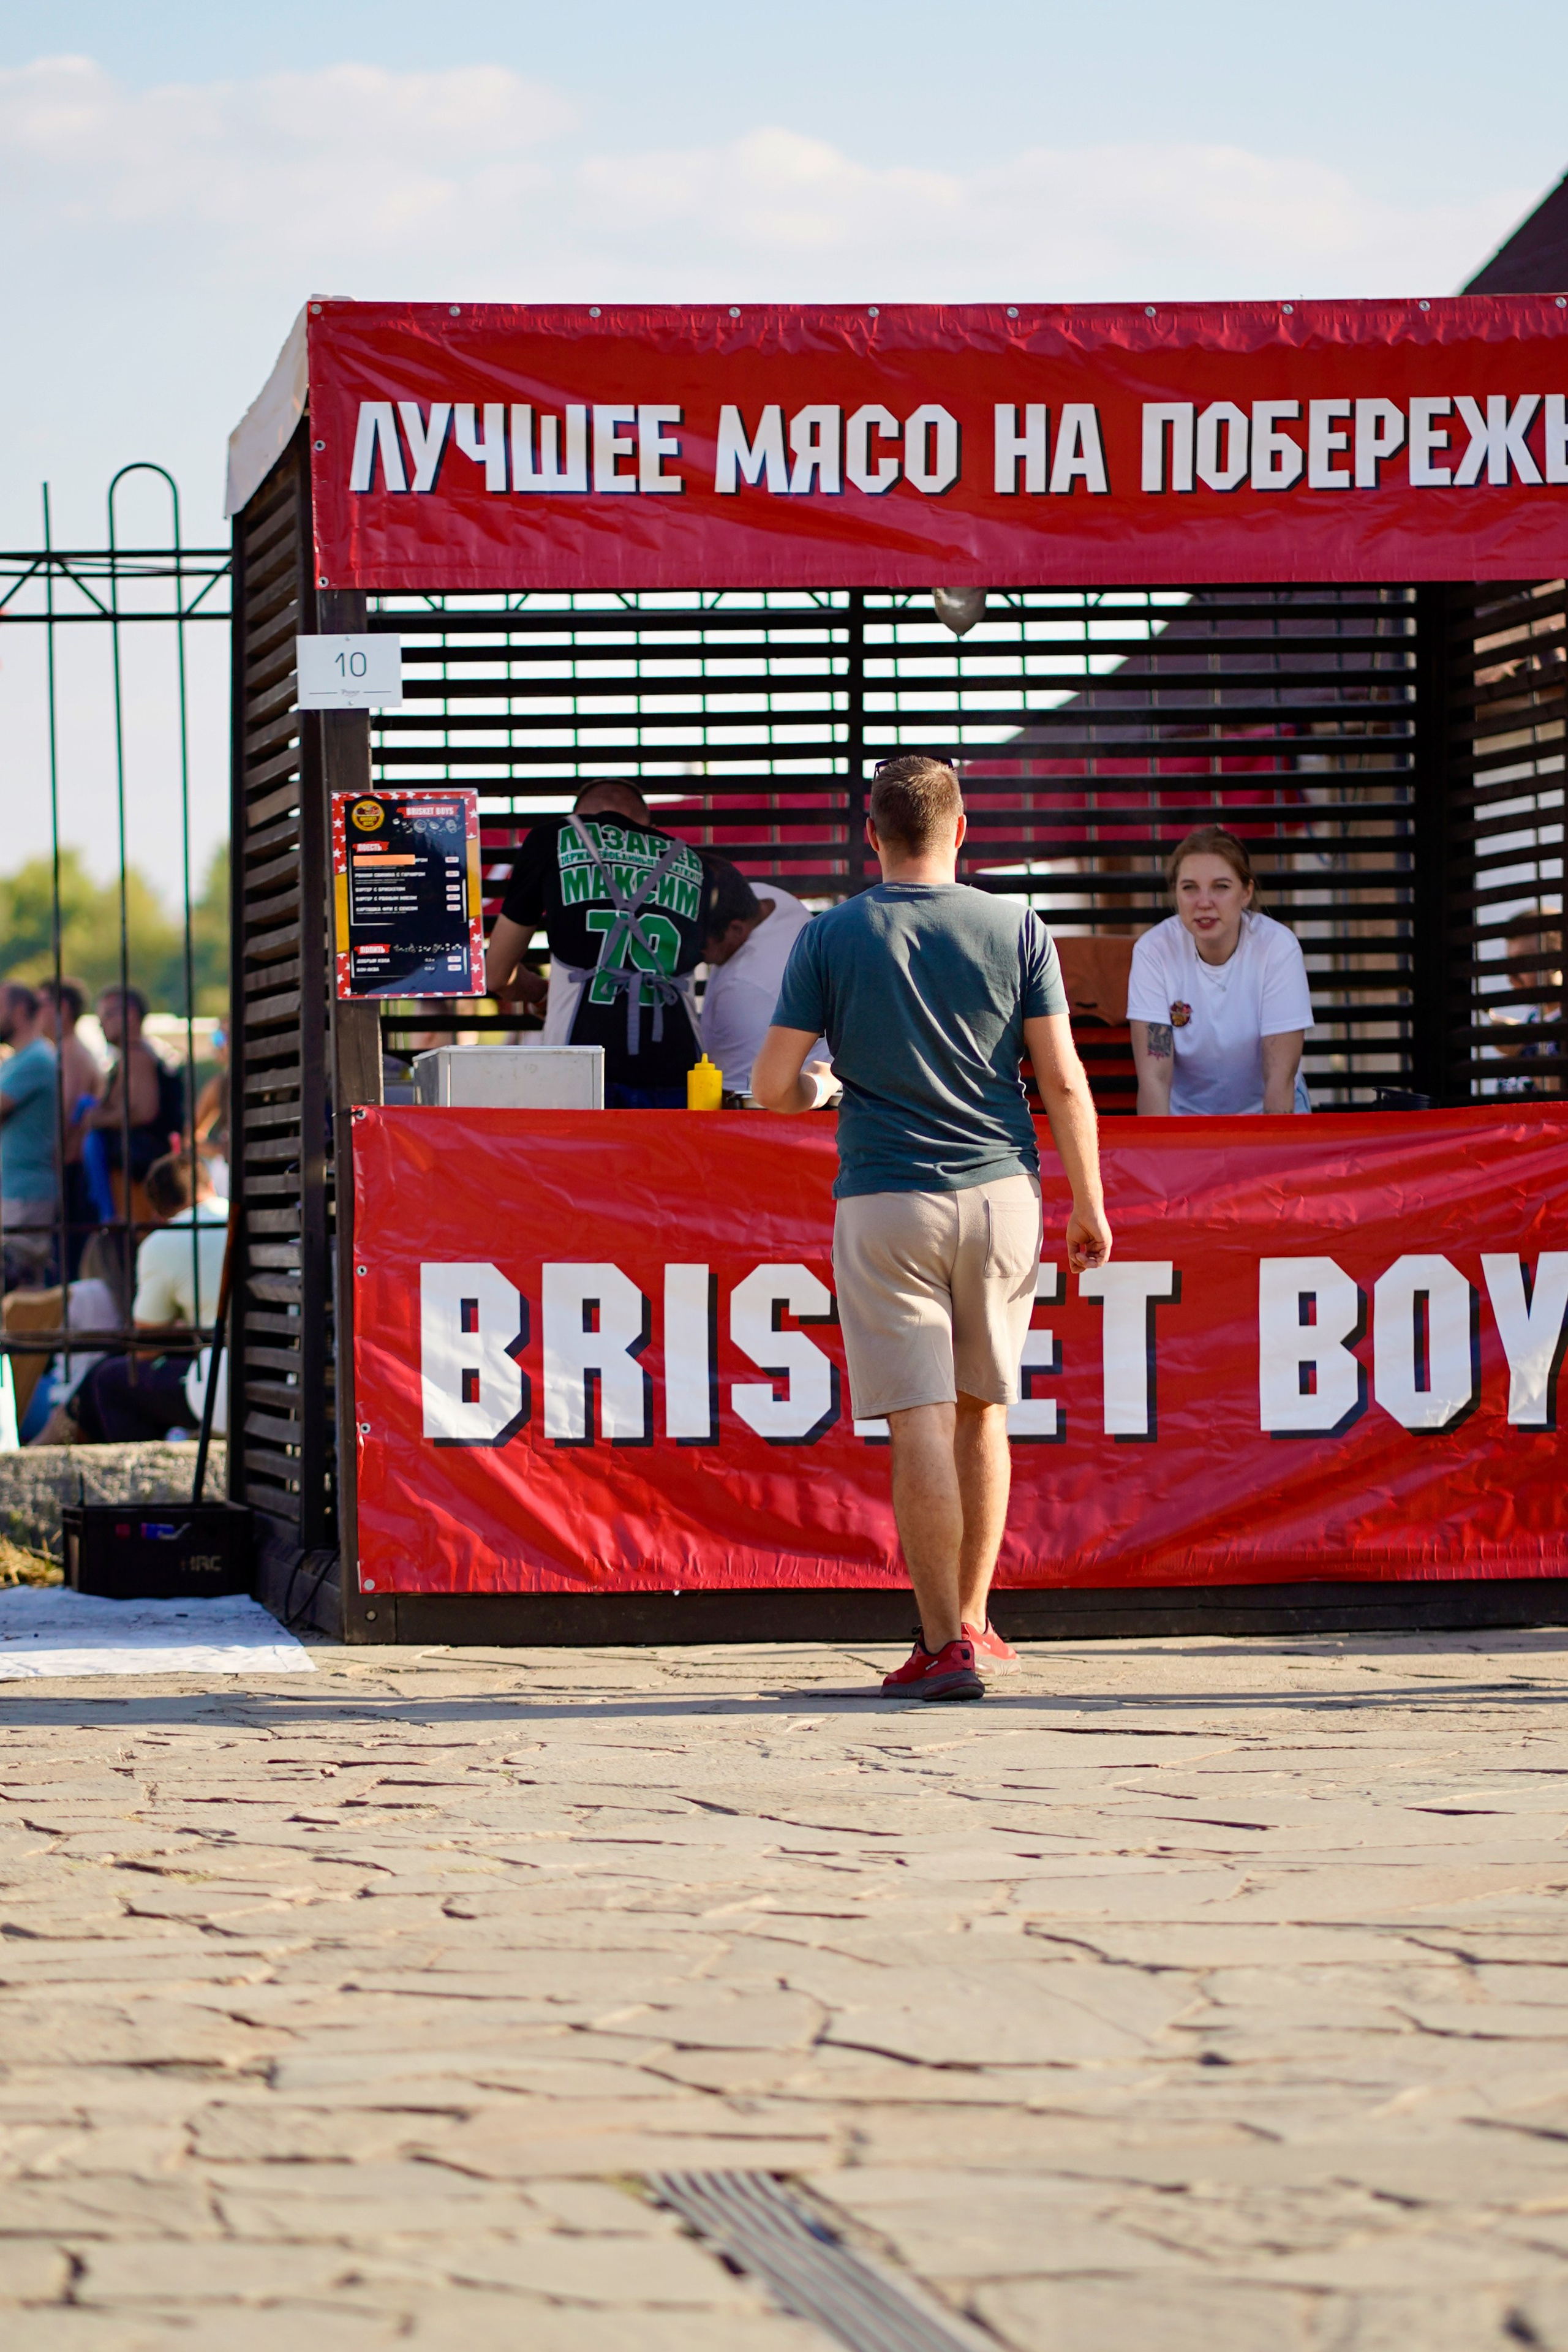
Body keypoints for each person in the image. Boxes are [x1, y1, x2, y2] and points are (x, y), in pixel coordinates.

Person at [752, 753, 1110, 1703]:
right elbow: (1064, 1079)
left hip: (885, 1198)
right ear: (962, 831)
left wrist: (824, 1085)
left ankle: (941, 1641)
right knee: (984, 1408)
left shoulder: (831, 935)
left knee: (917, 1419)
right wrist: (1095, 1204)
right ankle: (980, 1621)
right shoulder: (1017, 925)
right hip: (1003, 1196)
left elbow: (770, 1086)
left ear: (870, 834)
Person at [484, 781, 706, 1107]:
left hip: (580, 1065)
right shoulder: (692, 860)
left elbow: (497, 975)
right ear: (651, 826)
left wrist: (542, 994)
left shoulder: (553, 838)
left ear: (578, 816)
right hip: (680, 1065)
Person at [1128, 827, 1314, 1117]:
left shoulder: (1277, 948)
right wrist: (1161, 1156)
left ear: (1246, 892)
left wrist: (1274, 1155)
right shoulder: (1153, 951)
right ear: (1175, 892)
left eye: (1221, 886)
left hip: (1268, 1110)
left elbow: (1280, 1077)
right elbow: (1154, 1079)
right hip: (1185, 1116)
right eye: (1190, 887)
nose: (1204, 902)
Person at [70, 1152, 227, 1444]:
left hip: (220, 1388)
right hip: (278, 1373)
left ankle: (147, 1475)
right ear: (210, 1186)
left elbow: (145, 1349)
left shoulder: (162, 1242)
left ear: (158, 1214)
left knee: (109, 1381)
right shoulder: (236, 1216)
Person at [699, 855, 831, 1102]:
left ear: (736, 929)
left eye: (698, 945)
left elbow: (728, 1096)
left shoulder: (744, 992)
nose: (692, 954)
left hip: (793, 1108)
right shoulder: (768, 898)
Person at [87, 985, 184, 1186]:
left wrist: (98, 1119)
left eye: (106, 1015)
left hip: (140, 1172)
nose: (101, 1025)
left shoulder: (136, 1056)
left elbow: (143, 1111)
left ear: (130, 1015)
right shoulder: (136, 1054)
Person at [37, 978, 103, 1276]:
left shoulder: (70, 1053)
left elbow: (63, 1117)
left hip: (73, 1170)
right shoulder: (66, 1051)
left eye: (41, 1005)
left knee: (67, 1263)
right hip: (70, 1169)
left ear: (62, 1008)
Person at [1, 981, 59, 1290]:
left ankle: (27, 1341)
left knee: (20, 1286)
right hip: (16, 1190)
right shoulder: (19, 1060)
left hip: (26, 1192)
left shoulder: (37, 1058)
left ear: (19, 1011)